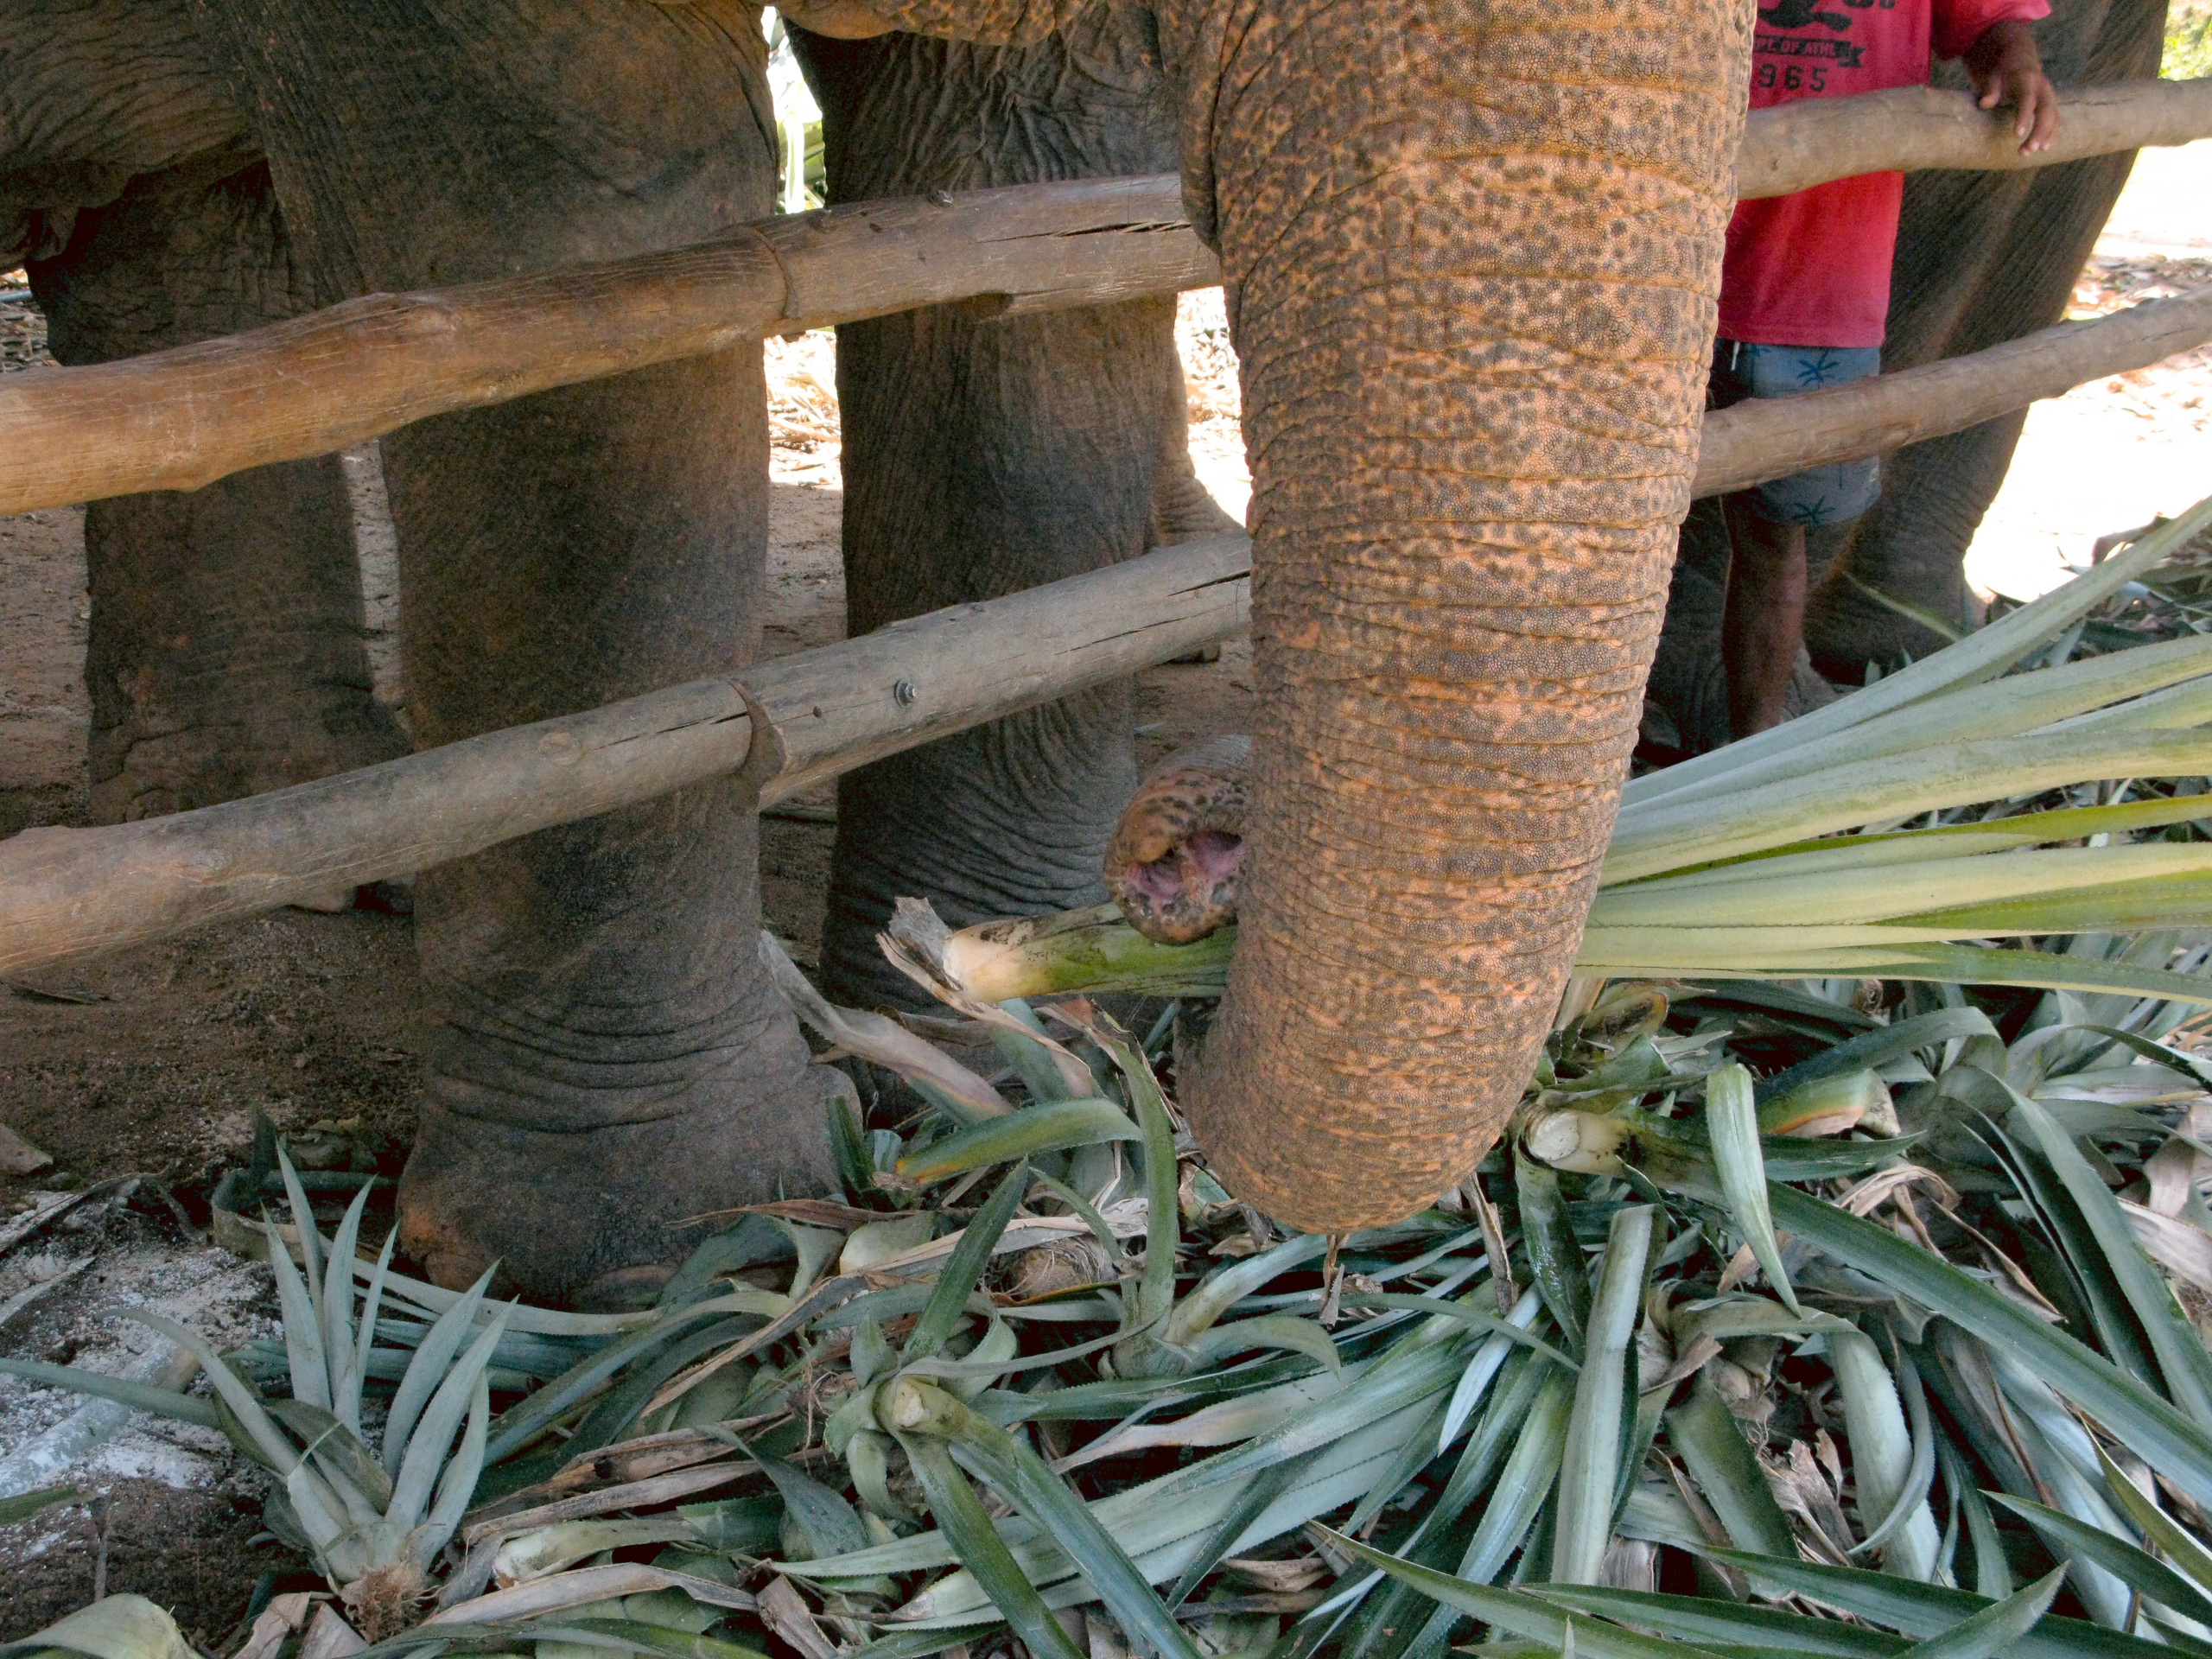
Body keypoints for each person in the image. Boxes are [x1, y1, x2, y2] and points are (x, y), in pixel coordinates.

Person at [1715, 0, 2062, 740]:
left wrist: (2016, 62)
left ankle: (1752, 752)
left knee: (1777, 541)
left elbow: (1987, 20)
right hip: (1645, 274)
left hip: (1820, 282)